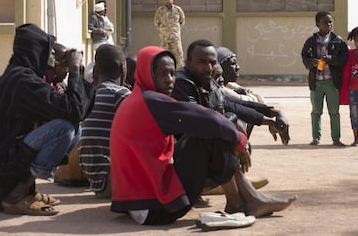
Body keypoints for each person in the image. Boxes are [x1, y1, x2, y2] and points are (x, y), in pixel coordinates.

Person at [109, 46, 297, 225]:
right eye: (161, 74)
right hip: (154, 208)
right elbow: (208, 120)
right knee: (209, 134)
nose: (169, 80)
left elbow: (228, 108)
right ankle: (240, 203)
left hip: (137, 203)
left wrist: (266, 116)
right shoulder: (151, 101)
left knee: (212, 129)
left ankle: (246, 199)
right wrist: (239, 140)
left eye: (172, 73)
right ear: (145, 73)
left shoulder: (137, 99)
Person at [0, 23, 94, 216]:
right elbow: (72, 110)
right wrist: (74, 70)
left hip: (8, 165)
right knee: (64, 128)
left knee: (74, 129)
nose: (54, 56)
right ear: (36, 51)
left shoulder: (21, 76)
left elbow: (77, 111)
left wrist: (78, 74)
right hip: (4, 170)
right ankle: (15, 195)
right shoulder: (22, 81)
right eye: (50, 51)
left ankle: (27, 191)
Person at [78, 44, 131, 198]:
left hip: (96, 182)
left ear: (96, 70)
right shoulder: (120, 94)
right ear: (122, 68)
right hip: (112, 180)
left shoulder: (87, 95)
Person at [301, 11, 349, 146]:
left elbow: (343, 59)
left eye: (330, 22)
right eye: (325, 22)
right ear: (317, 24)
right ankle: (316, 137)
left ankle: (336, 138)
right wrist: (311, 62)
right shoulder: (311, 41)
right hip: (316, 82)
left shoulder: (338, 41)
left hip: (332, 82)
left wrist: (330, 59)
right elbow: (304, 56)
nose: (329, 24)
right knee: (316, 111)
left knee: (334, 112)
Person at [154, 0, 185, 68]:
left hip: (175, 39)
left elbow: (182, 21)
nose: (167, 1)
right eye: (165, 0)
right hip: (165, 39)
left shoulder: (178, 10)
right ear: (163, 1)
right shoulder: (160, 10)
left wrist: (175, 31)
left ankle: (180, 73)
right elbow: (156, 23)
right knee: (164, 56)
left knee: (179, 56)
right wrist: (163, 31)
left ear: (172, 0)